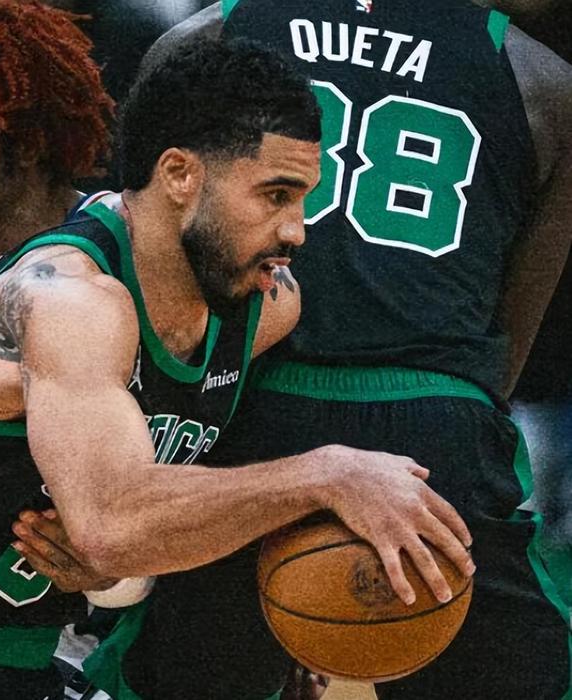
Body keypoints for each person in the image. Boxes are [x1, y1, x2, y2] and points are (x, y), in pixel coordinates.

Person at [0, 10, 474, 700]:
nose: (297, 230)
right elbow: (111, 521)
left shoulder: (266, 305)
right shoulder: (70, 301)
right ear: (180, 174)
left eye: (303, 199)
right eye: (274, 195)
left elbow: (154, 515)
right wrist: (327, 474)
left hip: (20, 655)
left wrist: (129, 570)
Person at [41, 1, 568, 698]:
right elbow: (511, 332)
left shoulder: (205, 33)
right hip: (438, 420)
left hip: (244, 399)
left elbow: (147, 257)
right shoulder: (542, 78)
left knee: (169, 673)